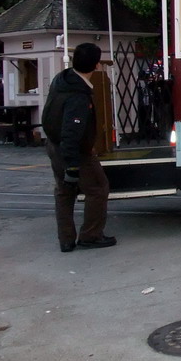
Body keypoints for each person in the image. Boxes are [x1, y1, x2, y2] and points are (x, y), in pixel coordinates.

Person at [41, 43, 116, 252]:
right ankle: (91, 235)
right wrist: (73, 165)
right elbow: (71, 132)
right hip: (75, 151)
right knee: (98, 189)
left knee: (64, 192)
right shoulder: (78, 96)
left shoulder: (61, 81)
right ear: (96, 65)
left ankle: (65, 239)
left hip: (54, 145)